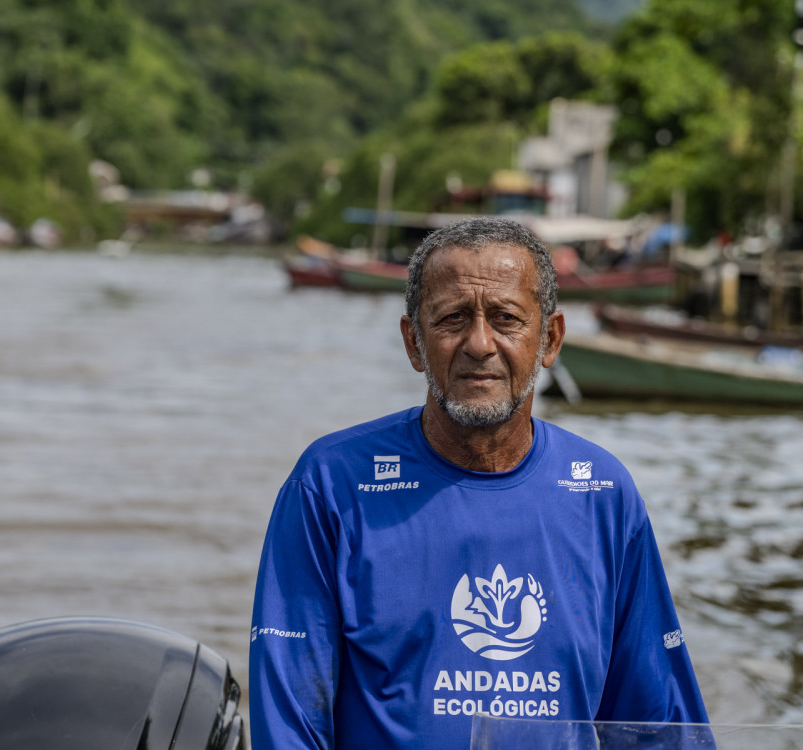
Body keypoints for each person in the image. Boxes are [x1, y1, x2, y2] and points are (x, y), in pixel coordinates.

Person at [249, 217, 709, 750]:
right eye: (451, 319)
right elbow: (290, 726)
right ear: (414, 342)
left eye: (507, 318)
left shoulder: (603, 494)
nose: (479, 343)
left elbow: (659, 727)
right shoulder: (330, 486)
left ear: (550, 339)